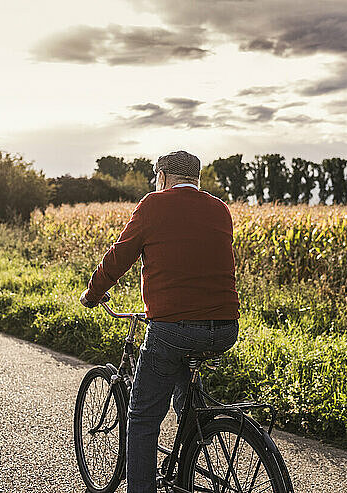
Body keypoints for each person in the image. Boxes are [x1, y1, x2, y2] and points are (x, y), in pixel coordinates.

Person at [80, 150, 240, 493]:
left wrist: (93, 293)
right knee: (184, 388)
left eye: (157, 176)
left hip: (172, 328)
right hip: (225, 327)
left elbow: (118, 256)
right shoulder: (220, 209)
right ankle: (196, 437)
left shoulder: (154, 204)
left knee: (141, 419)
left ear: (163, 176)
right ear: (196, 179)